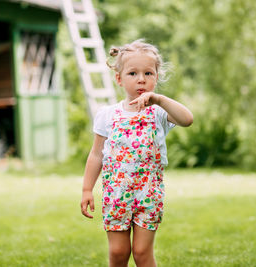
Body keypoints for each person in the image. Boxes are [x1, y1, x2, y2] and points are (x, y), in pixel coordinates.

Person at [80, 39, 193, 267]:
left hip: (147, 194)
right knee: (119, 252)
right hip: (117, 194)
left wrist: (159, 100)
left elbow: (187, 119)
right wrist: (86, 189)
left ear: (156, 78)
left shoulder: (159, 112)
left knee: (142, 253)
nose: (141, 79)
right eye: (133, 73)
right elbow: (96, 155)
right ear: (119, 78)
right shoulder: (107, 115)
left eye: (148, 73)